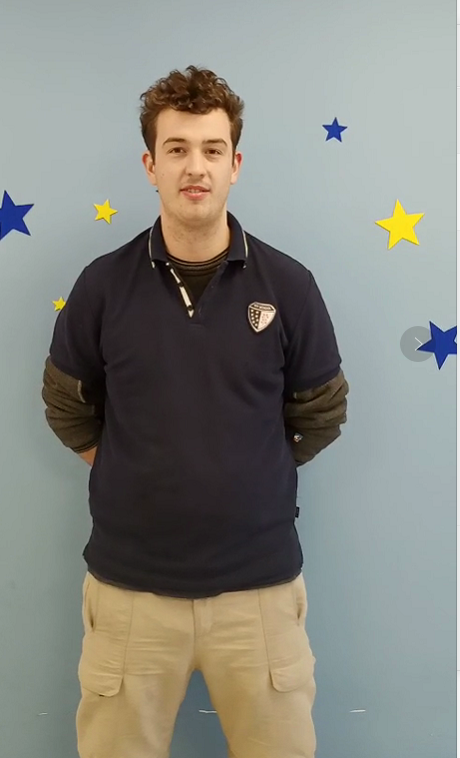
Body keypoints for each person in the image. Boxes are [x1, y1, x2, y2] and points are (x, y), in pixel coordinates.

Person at [42, 65, 349, 758]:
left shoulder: (289, 286)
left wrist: (250, 467)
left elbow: (322, 411)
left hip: (260, 593)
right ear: (150, 165)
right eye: (176, 149)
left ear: (235, 164)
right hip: (129, 594)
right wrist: (126, 464)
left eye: (212, 149)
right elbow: (66, 404)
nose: (195, 167)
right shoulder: (102, 286)